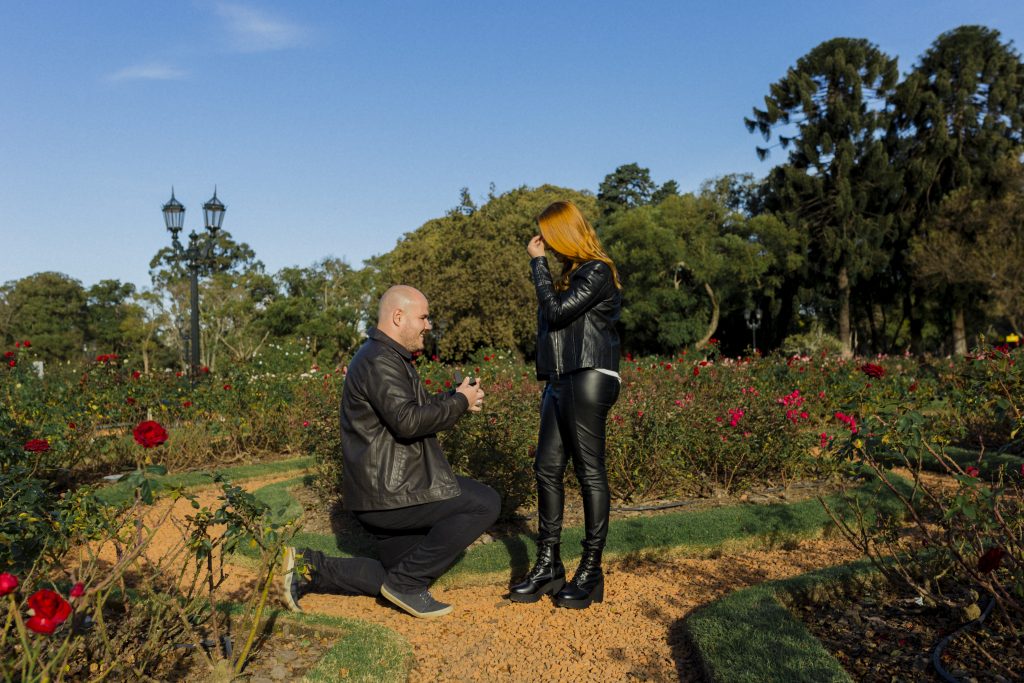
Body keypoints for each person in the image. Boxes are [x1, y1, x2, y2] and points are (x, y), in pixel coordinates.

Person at [281, 285, 498, 618]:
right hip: (390, 491)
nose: (428, 325)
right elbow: (409, 422)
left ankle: (308, 567)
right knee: (484, 502)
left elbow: (409, 411)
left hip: (382, 490)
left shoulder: (386, 356)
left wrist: (455, 400)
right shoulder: (380, 360)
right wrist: (459, 402)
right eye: (423, 317)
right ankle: (407, 584)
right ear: (398, 317)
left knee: (396, 573)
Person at [509, 200, 622, 610]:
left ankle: (591, 570)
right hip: (561, 378)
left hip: (590, 375)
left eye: (547, 235)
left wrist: (537, 264)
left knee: (589, 471)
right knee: (546, 468)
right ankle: (549, 563)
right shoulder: (574, 276)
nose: (543, 244)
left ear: (563, 233)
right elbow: (554, 321)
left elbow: (555, 315)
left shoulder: (597, 270)